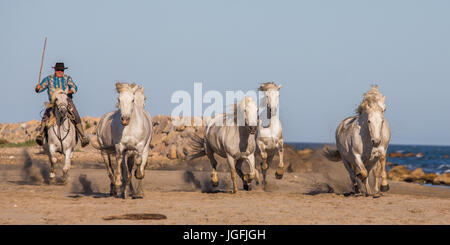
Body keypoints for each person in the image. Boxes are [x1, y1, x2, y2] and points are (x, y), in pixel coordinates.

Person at [35, 62, 90, 147]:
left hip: (67, 102)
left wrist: (69, 91)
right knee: (46, 116)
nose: (60, 71)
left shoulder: (67, 79)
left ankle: (82, 137)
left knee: (76, 115)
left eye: (62, 70)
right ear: (55, 70)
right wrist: (37, 88)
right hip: (54, 102)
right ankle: (41, 135)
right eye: (58, 70)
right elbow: (40, 89)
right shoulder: (48, 79)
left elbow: (75, 88)